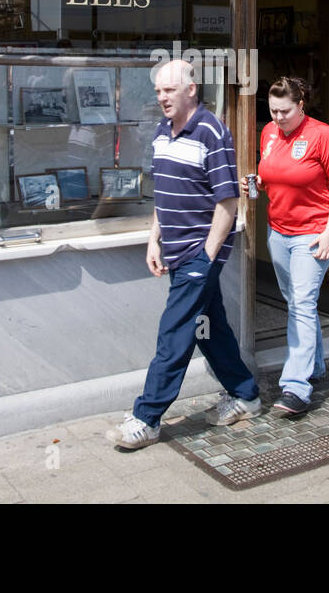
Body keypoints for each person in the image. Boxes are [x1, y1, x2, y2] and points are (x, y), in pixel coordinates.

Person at [108, 59, 260, 450]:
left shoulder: (212, 132)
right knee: (209, 328)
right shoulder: (162, 131)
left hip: (198, 252)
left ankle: (148, 417)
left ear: (191, 90)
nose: (161, 98)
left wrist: (207, 257)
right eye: (158, 91)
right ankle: (246, 394)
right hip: (174, 249)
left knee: (174, 332)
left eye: (169, 90)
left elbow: (228, 202)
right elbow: (163, 193)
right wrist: (153, 239)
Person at [251, 76, 329, 416]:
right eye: (273, 111)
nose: (278, 118)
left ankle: (295, 387)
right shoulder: (268, 134)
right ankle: (316, 366)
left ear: (301, 104)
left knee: (303, 303)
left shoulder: (322, 135)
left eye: (285, 112)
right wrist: (262, 182)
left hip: (313, 233)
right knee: (295, 301)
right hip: (278, 232)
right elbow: (273, 172)